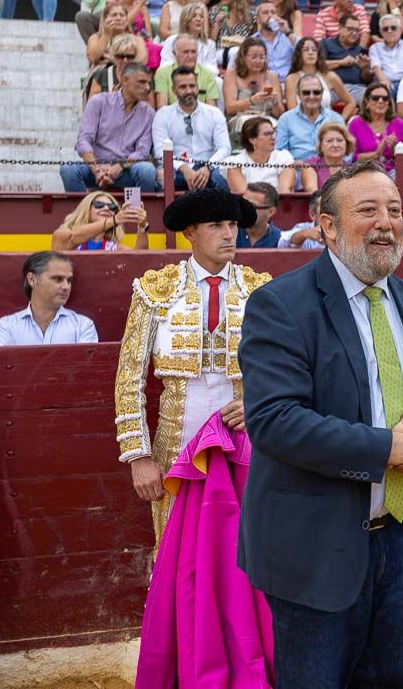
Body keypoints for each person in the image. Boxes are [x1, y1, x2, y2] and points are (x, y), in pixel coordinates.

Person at [237, 163, 403, 686]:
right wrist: (390, 450)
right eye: (368, 210)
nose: (386, 222)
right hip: (317, 546)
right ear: (328, 226)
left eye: (394, 211)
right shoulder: (281, 303)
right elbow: (274, 420)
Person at [122, 189, 274, 684]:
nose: (229, 234)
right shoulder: (155, 290)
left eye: (233, 225)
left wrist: (258, 404)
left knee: (245, 554)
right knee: (177, 562)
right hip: (176, 448)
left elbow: (286, 368)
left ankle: (246, 666)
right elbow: (129, 378)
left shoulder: (261, 290)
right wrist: (139, 455)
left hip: (245, 445)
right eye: (216, 226)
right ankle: (186, 669)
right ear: (190, 233)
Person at [65, 64, 158, 193]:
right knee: (68, 169)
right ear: (125, 80)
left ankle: (141, 206)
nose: (147, 87)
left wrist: (119, 167)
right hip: (96, 168)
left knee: (147, 170)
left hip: (126, 171)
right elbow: (83, 140)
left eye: (149, 83)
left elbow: (142, 151)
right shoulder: (98, 102)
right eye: (142, 82)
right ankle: (84, 206)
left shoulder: (149, 113)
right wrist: (97, 170)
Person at [151, 67, 232, 192]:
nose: (189, 91)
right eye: (183, 87)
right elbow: (160, 151)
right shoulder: (163, 115)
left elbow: (224, 148)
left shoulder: (214, 113)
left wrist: (207, 167)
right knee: (165, 177)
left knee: (219, 178)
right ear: (173, 90)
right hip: (177, 169)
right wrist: (184, 169)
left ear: (197, 87)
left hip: (208, 169)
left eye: (192, 86)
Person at [0, 252, 99, 346]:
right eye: (58, 279)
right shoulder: (6, 326)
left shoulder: (83, 325)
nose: (66, 286)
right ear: (32, 279)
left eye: (69, 280)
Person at [276, 74, 347, 162]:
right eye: (306, 93)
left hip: (330, 167)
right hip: (298, 167)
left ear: (322, 93)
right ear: (298, 94)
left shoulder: (336, 119)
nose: (312, 97)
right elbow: (280, 153)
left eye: (316, 92)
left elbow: (348, 151)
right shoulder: (286, 119)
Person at [52, 190, 150, 252]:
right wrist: (114, 220)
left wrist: (142, 226)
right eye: (99, 205)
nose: (106, 208)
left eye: (112, 207)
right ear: (86, 208)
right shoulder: (64, 231)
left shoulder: (116, 249)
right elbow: (72, 238)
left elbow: (138, 260)